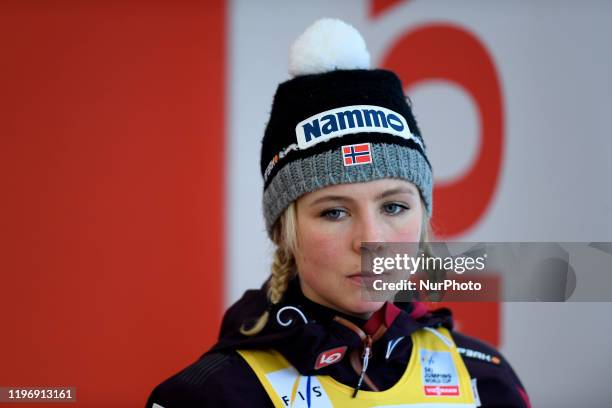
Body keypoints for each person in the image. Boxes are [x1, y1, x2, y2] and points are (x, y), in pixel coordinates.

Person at [146, 18, 530, 408]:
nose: (371, 240)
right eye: (334, 212)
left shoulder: (486, 378)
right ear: (285, 231)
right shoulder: (213, 395)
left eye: (394, 206)